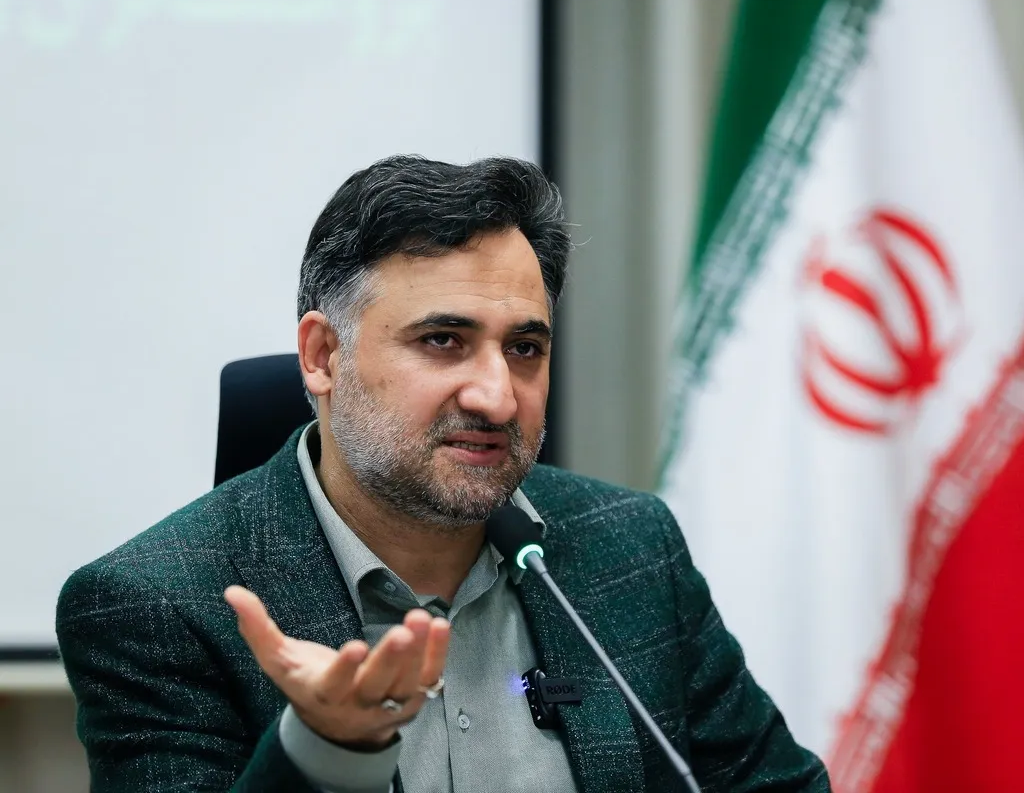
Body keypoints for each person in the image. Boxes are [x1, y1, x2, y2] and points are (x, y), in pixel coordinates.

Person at [56, 155, 830, 792]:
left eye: (524, 348)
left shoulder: (628, 549)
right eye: (443, 341)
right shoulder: (155, 606)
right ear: (323, 356)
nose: (497, 397)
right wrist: (329, 747)